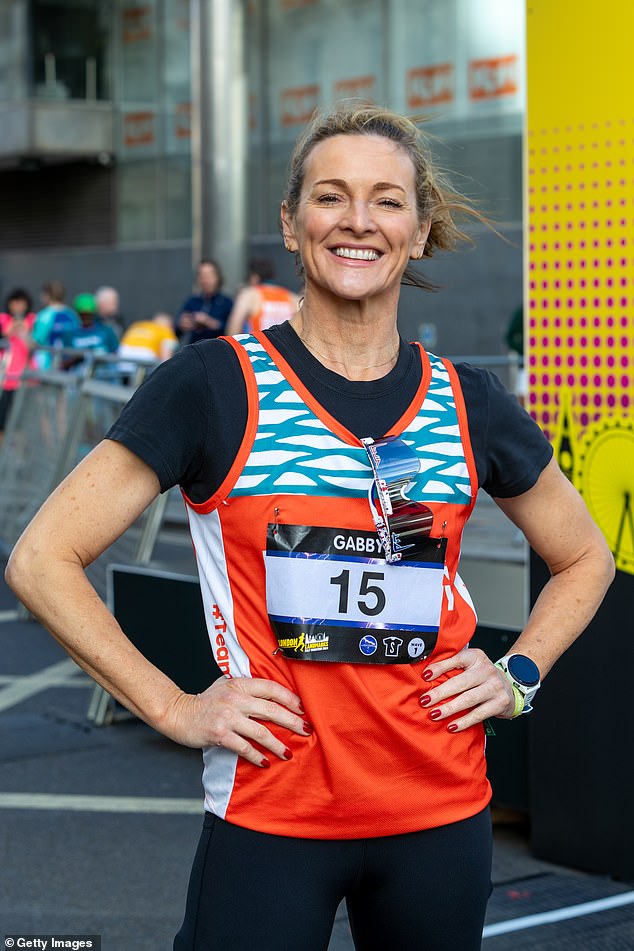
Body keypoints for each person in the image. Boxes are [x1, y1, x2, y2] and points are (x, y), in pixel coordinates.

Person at [5, 106, 614, 951]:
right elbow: (42, 560)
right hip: (271, 814)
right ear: (292, 224)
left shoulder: (468, 400)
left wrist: (519, 672)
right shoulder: (212, 385)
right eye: (332, 196)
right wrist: (174, 707)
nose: (359, 220)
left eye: (387, 200)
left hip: (440, 810)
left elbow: (585, 554)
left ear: (419, 227)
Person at [225, 257, 299, 335]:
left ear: (254, 277)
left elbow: (233, 328)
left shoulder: (249, 294)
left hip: (257, 345)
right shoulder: (291, 297)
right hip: (285, 345)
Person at [0, 288, 36, 443]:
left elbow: (33, 346)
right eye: (14, 303)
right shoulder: (3, 319)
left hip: (25, 381)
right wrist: (11, 329)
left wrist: (24, 332)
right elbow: (4, 335)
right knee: (2, 420)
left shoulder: (32, 320)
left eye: (21, 303)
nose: (17, 307)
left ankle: (19, 457)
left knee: (22, 423)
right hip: (5, 380)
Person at [176, 259, 233, 345]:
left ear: (217, 277)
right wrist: (182, 325)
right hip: (195, 348)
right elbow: (176, 331)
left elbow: (233, 330)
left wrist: (210, 322)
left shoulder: (227, 303)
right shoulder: (192, 301)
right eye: (202, 276)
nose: (205, 280)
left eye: (209, 275)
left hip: (218, 348)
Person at [60, 292, 119, 373]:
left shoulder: (106, 330)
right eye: (83, 314)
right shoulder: (70, 333)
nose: (86, 317)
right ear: (78, 313)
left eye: (89, 314)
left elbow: (116, 354)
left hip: (104, 375)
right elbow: (63, 363)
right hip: (79, 375)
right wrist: (78, 357)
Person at [31, 280, 79, 368]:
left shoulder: (44, 316)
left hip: (46, 365)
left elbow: (37, 340)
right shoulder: (71, 315)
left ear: (47, 295)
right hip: (69, 364)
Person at [117, 312, 178, 377]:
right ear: (169, 324)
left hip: (123, 355)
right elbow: (165, 356)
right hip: (145, 357)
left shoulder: (137, 325)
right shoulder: (165, 330)